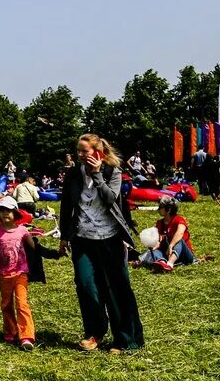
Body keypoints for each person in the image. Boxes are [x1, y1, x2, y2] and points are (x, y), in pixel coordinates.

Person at [58, 133, 144, 353]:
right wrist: (64, 237)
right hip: (82, 239)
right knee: (86, 285)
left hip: (110, 239)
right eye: (78, 150)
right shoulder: (73, 174)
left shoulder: (113, 172)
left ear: (98, 152)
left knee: (116, 289)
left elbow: (110, 199)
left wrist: (97, 175)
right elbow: (66, 206)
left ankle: (126, 339)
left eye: (84, 151)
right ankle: (94, 332)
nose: (80, 155)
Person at [0, 197, 59, 350]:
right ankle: (10, 330)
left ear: (15, 213)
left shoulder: (23, 231)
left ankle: (26, 336)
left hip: (20, 273)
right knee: (6, 304)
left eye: (9, 211)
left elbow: (36, 248)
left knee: (22, 304)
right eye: (2, 211)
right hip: (3, 274)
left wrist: (54, 254)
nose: (5, 214)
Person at [140, 196, 195, 272]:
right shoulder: (159, 223)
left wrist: (171, 246)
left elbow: (180, 233)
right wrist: (153, 248)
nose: (158, 209)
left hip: (185, 256)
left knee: (179, 241)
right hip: (168, 254)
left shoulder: (179, 219)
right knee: (155, 250)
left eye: (161, 207)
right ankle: (161, 263)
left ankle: (169, 264)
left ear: (168, 210)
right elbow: (159, 241)